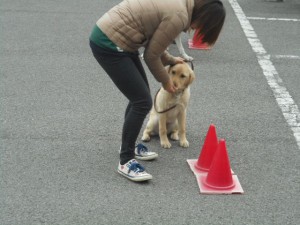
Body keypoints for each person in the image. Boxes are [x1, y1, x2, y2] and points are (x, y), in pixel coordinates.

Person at [89, 0, 226, 182]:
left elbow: (155, 44)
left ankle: (127, 146)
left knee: (139, 96)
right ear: (203, 18)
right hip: (109, 41)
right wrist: (166, 81)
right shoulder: (179, 16)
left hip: (120, 38)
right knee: (142, 101)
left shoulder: (182, 7)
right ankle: (125, 161)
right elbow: (151, 56)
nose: (196, 31)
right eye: (203, 27)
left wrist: (170, 60)